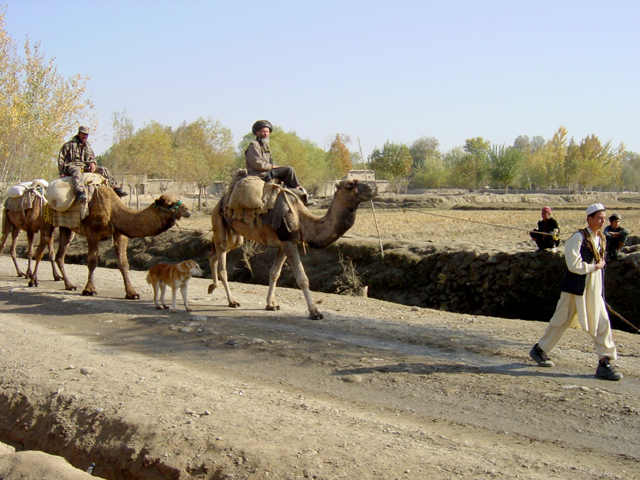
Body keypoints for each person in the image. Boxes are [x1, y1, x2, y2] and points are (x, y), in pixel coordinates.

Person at [529, 203, 622, 381]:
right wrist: (595, 266)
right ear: (589, 219)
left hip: (593, 287)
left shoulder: (600, 238)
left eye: (604, 218)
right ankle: (540, 349)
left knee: (601, 322)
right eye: (599, 218)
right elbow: (573, 265)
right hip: (576, 287)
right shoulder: (577, 239)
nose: (603, 221)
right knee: (561, 320)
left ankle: (604, 362)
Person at [245, 120, 314, 205]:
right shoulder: (254, 145)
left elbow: (269, 162)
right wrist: (272, 167)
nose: (266, 134)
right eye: (263, 132)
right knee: (289, 170)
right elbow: (257, 163)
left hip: (267, 171)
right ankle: (298, 192)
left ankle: (294, 193)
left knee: (284, 172)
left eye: (267, 132)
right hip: (259, 173)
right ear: (257, 133)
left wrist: (275, 166)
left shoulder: (265, 145)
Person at [58, 126, 127, 201]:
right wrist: (62, 172)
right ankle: (80, 192)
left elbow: (92, 157)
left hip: (84, 166)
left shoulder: (88, 146)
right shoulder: (68, 145)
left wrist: (93, 163)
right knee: (77, 172)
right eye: (83, 134)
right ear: (79, 134)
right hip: (72, 166)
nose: (85, 136)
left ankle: (115, 187)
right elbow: (61, 158)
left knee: (103, 170)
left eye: (86, 135)